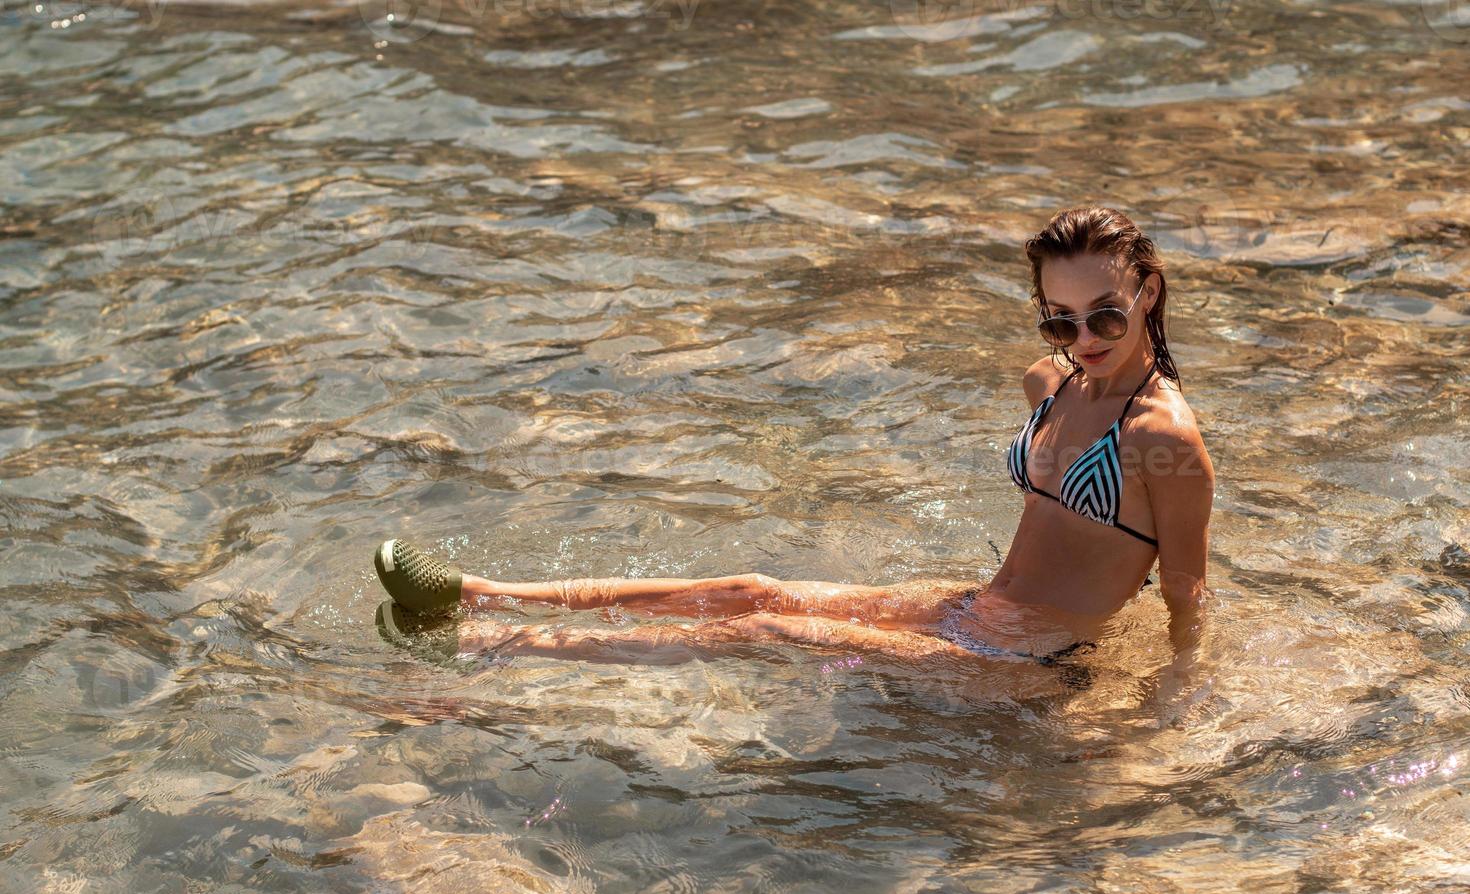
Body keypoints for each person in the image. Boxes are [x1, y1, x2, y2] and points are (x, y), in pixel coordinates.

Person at [372, 206, 1215, 701]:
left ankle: (488, 650)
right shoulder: (1051, 382)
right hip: (976, 609)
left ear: (1148, 291)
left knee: (766, 628)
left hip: (1030, 659)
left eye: (1105, 315)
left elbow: (1186, 586)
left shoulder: (1162, 438)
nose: (1082, 338)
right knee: (751, 588)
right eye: (1058, 319)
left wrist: (1170, 707)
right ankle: (478, 593)